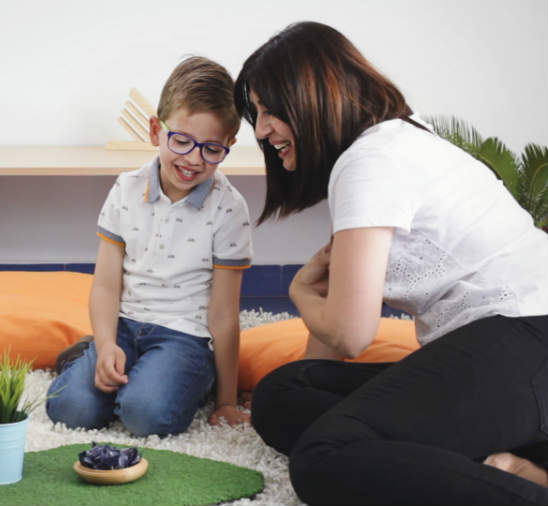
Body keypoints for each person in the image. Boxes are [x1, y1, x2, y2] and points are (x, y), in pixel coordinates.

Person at [234, 21, 548, 505]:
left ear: (314, 95)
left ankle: (521, 479)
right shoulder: (386, 146)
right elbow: (333, 331)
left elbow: (351, 333)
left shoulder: (369, 163)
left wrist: (298, 293)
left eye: (270, 109)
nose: (261, 130)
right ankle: (498, 461)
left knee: (323, 457)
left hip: (525, 341)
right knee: (283, 393)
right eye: (255, 114)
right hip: (509, 351)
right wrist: (317, 323)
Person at [45, 56, 254, 437]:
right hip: (124, 326)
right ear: (156, 129)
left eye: (212, 149)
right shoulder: (126, 189)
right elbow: (106, 285)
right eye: (181, 141)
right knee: (69, 408)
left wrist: (227, 401)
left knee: (145, 415)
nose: (193, 159)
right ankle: (92, 355)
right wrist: (106, 344)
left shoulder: (229, 207)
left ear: (229, 145)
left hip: (185, 338)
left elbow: (225, 314)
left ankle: (187, 380)